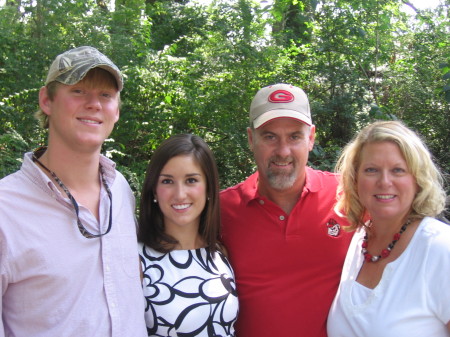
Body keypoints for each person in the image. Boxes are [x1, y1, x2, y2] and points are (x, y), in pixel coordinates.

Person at [0, 46, 147, 336]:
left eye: (106, 95)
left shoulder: (119, 190)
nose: (94, 104)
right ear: (47, 100)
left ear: (116, 110)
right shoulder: (6, 208)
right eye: (79, 91)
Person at [220, 83, 353, 337]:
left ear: (311, 138)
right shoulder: (221, 210)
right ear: (251, 139)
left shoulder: (348, 195)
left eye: (294, 136)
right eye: (270, 136)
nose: (283, 151)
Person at [327, 120, 450, 336]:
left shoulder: (439, 248)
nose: (384, 182)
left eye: (398, 170)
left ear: (417, 179)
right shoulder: (360, 238)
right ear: (355, 179)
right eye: (371, 170)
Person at [137, 133, 239, 337]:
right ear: (154, 191)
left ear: (209, 188)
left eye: (191, 180)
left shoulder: (219, 253)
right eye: (167, 182)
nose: (180, 194)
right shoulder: (137, 261)